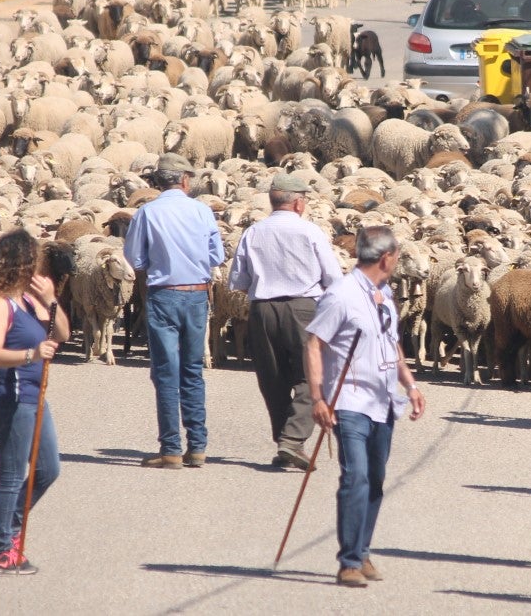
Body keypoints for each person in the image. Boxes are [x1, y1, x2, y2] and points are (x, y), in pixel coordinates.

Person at [304, 226, 426, 587]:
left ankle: (363, 549)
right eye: (398, 256)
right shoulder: (341, 295)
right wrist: (317, 398)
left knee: (375, 479)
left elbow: (392, 343)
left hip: (384, 400)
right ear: (387, 258)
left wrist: (411, 384)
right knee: (355, 476)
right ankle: (349, 562)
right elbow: (314, 344)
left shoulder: (385, 294)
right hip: (350, 401)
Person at [228, 173, 342, 471]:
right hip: (304, 309)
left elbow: (238, 280)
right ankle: (292, 439)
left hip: (262, 310)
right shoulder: (311, 232)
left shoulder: (253, 232)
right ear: (299, 203)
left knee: (272, 378)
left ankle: (285, 442)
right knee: (311, 376)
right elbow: (333, 278)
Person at [0, 229, 71, 574]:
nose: (38, 268)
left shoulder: (30, 300)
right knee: (12, 476)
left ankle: (6, 531)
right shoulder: (0, 304)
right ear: (19, 264)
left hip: (35, 396)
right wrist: (31, 353)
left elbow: (63, 334)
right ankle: (2, 551)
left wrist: (51, 300)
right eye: (33, 261)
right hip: (11, 398)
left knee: (49, 469)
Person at [124, 152, 224, 470]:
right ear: (184, 180)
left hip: (163, 296)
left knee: (167, 373)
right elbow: (216, 254)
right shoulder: (202, 211)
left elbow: (135, 260)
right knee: (192, 371)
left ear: (158, 182)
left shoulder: (146, 213)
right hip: (196, 296)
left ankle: (170, 449)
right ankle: (198, 447)